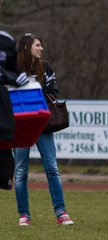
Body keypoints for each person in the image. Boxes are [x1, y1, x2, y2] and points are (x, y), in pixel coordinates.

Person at [13, 33, 74, 226]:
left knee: (52, 168)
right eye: (37, 45)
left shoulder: (45, 67)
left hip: (43, 125)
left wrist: (30, 90)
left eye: (41, 45)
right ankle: (24, 215)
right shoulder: (12, 69)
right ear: (26, 47)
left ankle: (61, 213)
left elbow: (53, 92)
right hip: (21, 126)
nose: (41, 48)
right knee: (21, 171)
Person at [0, 29, 29, 190]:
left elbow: (15, 70)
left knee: (4, 172)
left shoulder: (7, 40)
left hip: (2, 114)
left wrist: (17, 77)